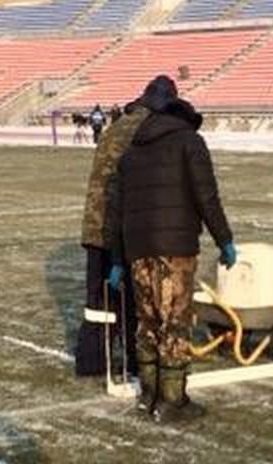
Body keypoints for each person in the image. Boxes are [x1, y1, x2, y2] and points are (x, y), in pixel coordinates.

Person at [110, 76, 236, 423]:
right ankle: (172, 401)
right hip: (175, 249)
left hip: (138, 250)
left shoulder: (131, 154)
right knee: (175, 323)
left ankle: (148, 395)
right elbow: (206, 196)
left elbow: (117, 212)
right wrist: (224, 239)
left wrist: (119, 259)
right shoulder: (190, 143)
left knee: (148, 321)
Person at [76, 79, 176, 377]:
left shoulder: (116, 126)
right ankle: (136, 363)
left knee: (98, 302)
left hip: (95, 226)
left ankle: (92, 361)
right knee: (136, 301)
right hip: (124, 227)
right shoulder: (145, 131)